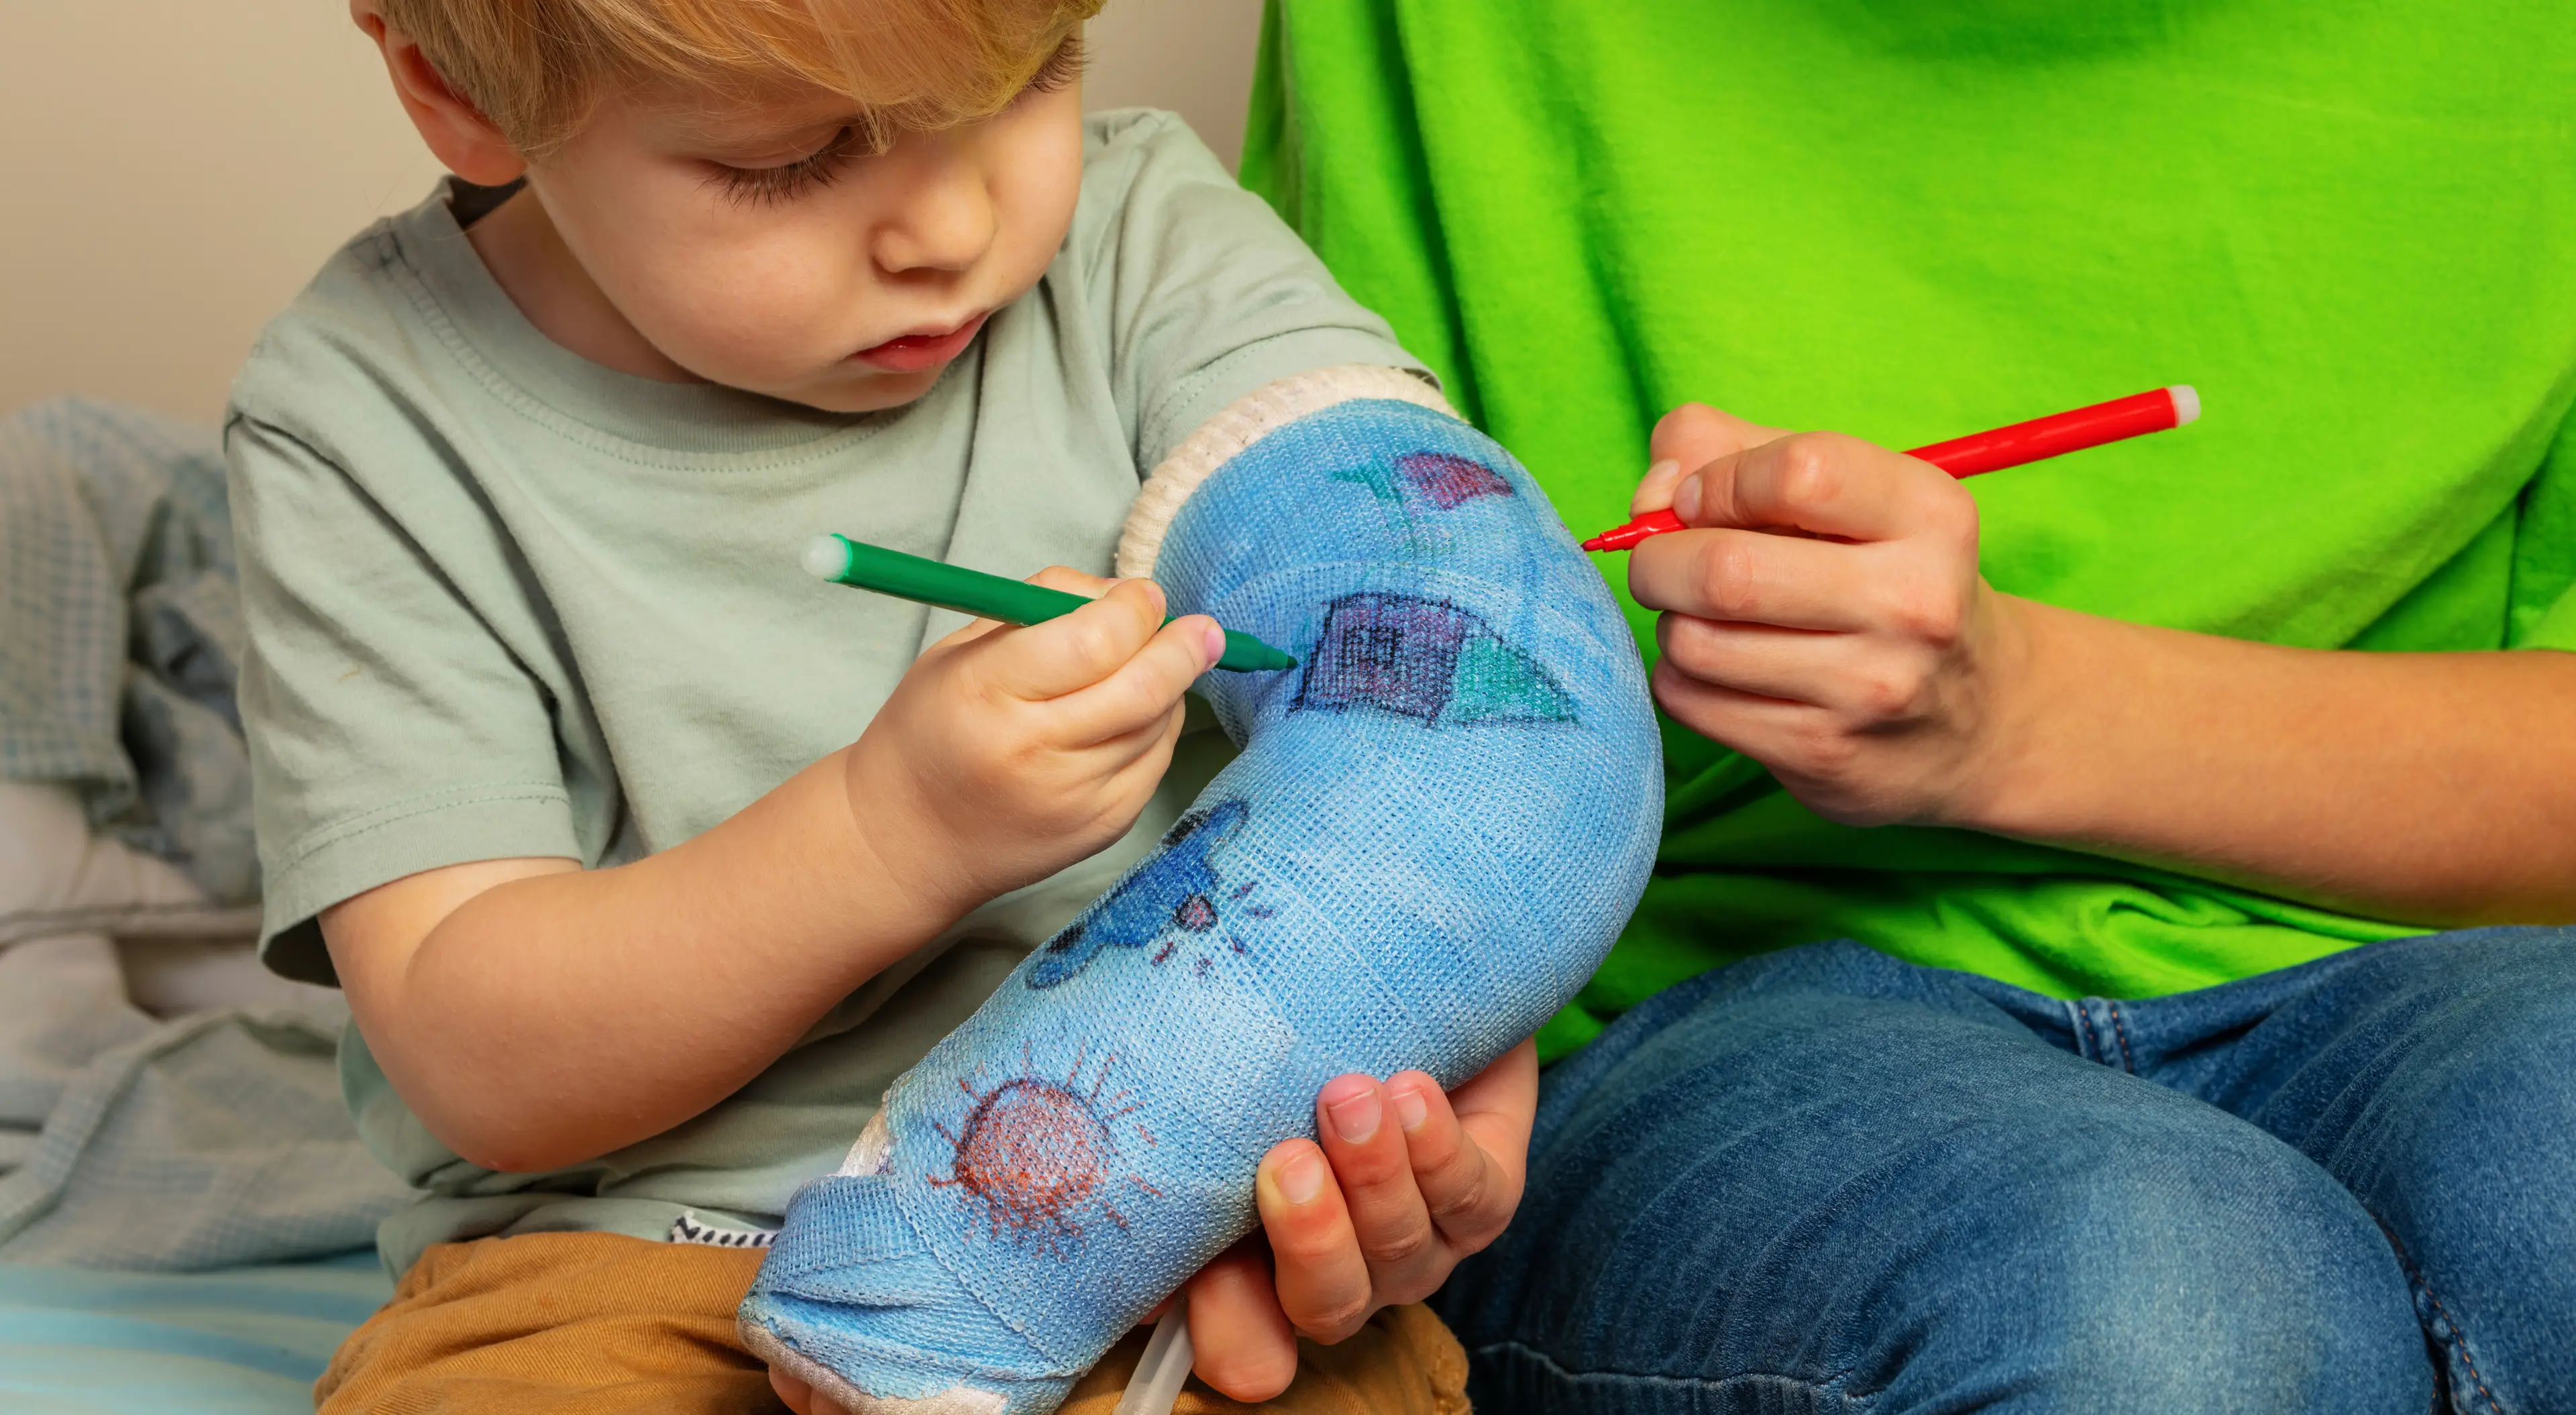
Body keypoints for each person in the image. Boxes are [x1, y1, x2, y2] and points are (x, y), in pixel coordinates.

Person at [1241, 0, 2576, 1410]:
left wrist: (2016, 717)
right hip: (1670, 1027)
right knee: (2166, 1317)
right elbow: (1299, 655)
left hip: (2452, 976)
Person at [225, 2, 1536, 1410]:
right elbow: (478, 1057)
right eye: (791, 160)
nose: (952, 229)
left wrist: (1440, 1073)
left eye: (1029, 76)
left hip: (1168, 1257)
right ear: (456, 85)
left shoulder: (1150, 240)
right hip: (634, 1263)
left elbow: (1446, 670)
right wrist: (890, 833)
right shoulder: (363, 417)